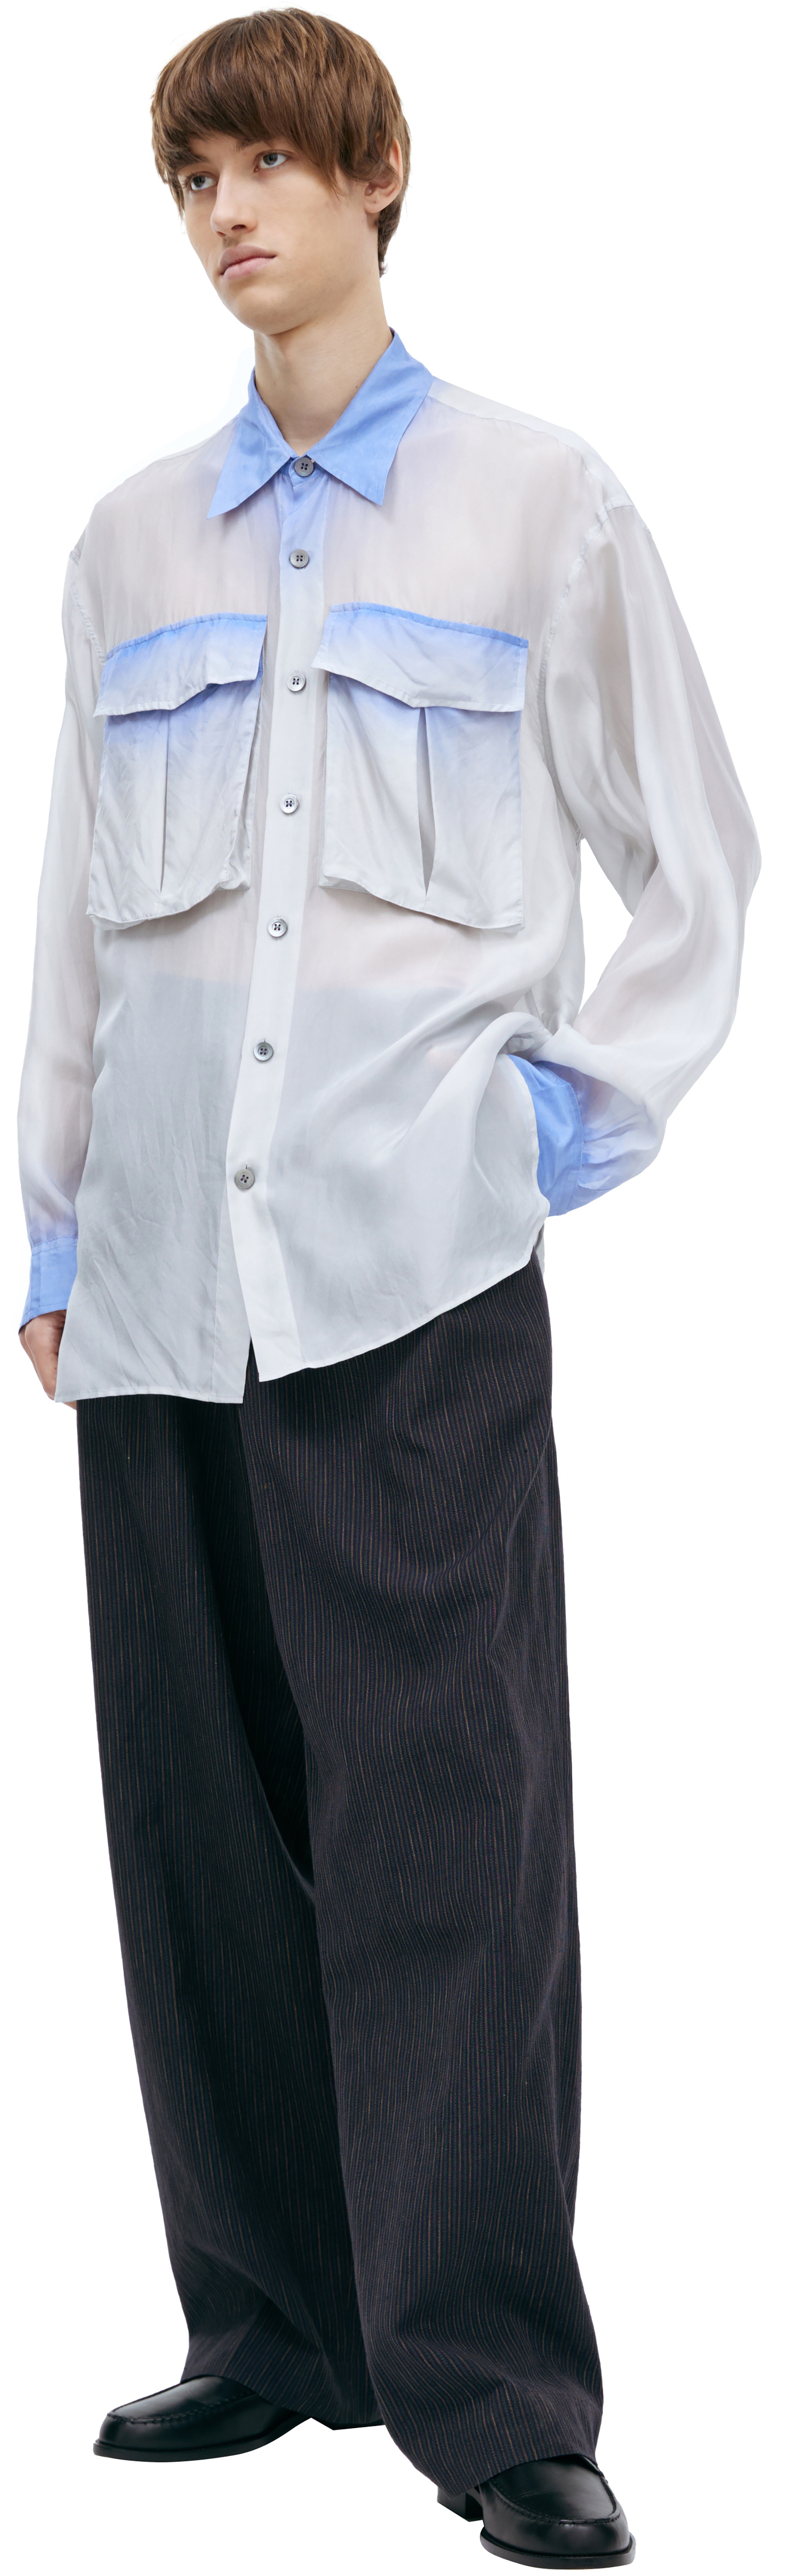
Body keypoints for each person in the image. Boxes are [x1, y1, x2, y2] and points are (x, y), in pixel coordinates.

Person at [17, 9, 759, 2565]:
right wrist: (49, 1227)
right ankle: (268, 2324)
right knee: (199, 1824)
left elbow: (698, 865)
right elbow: (75, 925)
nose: (227, 211)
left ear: (378, 175)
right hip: (155, 1287)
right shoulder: (127, 542)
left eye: (267, 164)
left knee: (452, 1824)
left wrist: (541, 1136)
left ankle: (490, 2384)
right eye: (191, 175)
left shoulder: (542, 501)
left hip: (407, 1277)